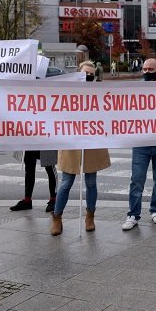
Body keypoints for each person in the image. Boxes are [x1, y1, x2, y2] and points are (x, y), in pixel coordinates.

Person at [50, 61, 110, 235]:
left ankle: (90, 215)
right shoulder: (67, 93)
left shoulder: (99, 93)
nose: (88, 77)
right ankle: (57, 216)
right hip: (71, 141)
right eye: (85, 74)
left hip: (92, 140)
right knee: (66, 182)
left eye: (91, 75)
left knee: (91, 182)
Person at [122, 58, 156, 230]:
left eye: (150, 69)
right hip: (141, 142)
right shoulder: (136, 89)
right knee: (137, 179)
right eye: (144, 69)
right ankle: (133, 214)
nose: (147, 71)